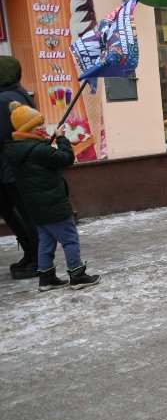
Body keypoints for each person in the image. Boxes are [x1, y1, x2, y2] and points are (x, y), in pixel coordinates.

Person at [2, 103, 99, 290]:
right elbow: (65, 158)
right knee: (70, 239)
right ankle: (77, 275)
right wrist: (62, 138)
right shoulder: (39, 151)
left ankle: (46, 277)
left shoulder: (19, 150)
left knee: (46, 241)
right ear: (30, 129)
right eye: (40, 125)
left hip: (36, 208)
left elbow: (40, 158)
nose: (44, 128)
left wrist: (46, 143)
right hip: (53, 205)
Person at [0, 56, 40, 280]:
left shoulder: (5, 98)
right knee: (16, 211)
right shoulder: (19, 93)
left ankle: (35, 259)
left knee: (23, 213)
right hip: (19, 164)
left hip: (11, 166)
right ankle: (32, 255)